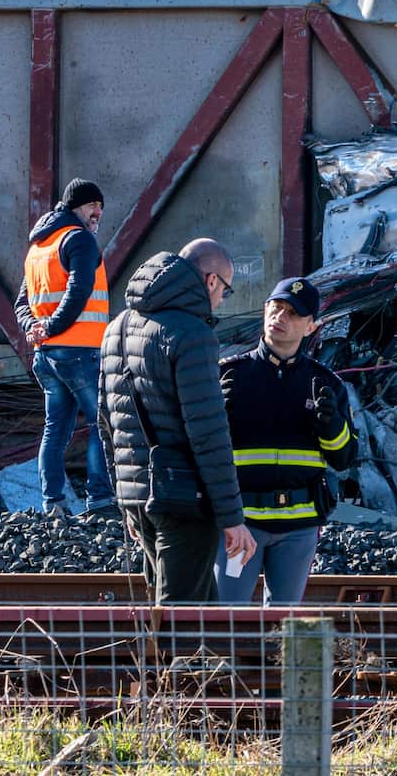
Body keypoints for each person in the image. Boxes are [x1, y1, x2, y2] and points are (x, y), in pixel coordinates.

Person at [98, 238, 255, 603]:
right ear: (212, 281)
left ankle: (185, 661)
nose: (219, 301)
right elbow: (209, 434)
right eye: (225, 291)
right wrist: (232, 518)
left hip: (139, 497)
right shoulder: (192, 334)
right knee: (184, 619)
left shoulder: (117, 329)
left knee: (186, 612)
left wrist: (125, 500)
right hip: (183, 497)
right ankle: (177, 662)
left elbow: (107, 423)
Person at [215, 276, 356, 604]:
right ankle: (226, 659)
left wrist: (332, 426)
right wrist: (215, 418)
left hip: (298, 527)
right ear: (265, 311)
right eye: (276, 308)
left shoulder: (325, 384)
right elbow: (200, 449)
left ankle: (279, 659)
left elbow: (345, 458)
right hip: (240, 524)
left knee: (285, 620)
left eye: (293, 314)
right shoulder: (229, 375)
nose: (281, 317)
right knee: (227, 613)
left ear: (311, 327)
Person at [14, 178, 114, 515]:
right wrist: (51, 326)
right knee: (102, 423)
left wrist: (36, 329)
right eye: (92, 205)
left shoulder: (38, 248)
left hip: (47, 354)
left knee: (56, 429)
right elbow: (79, 290)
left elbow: (21, 303)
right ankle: (100, 500)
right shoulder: (79, 239)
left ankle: (52, 502)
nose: (98, 212)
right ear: (76, 206)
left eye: (101, 206)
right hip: (81, 351)